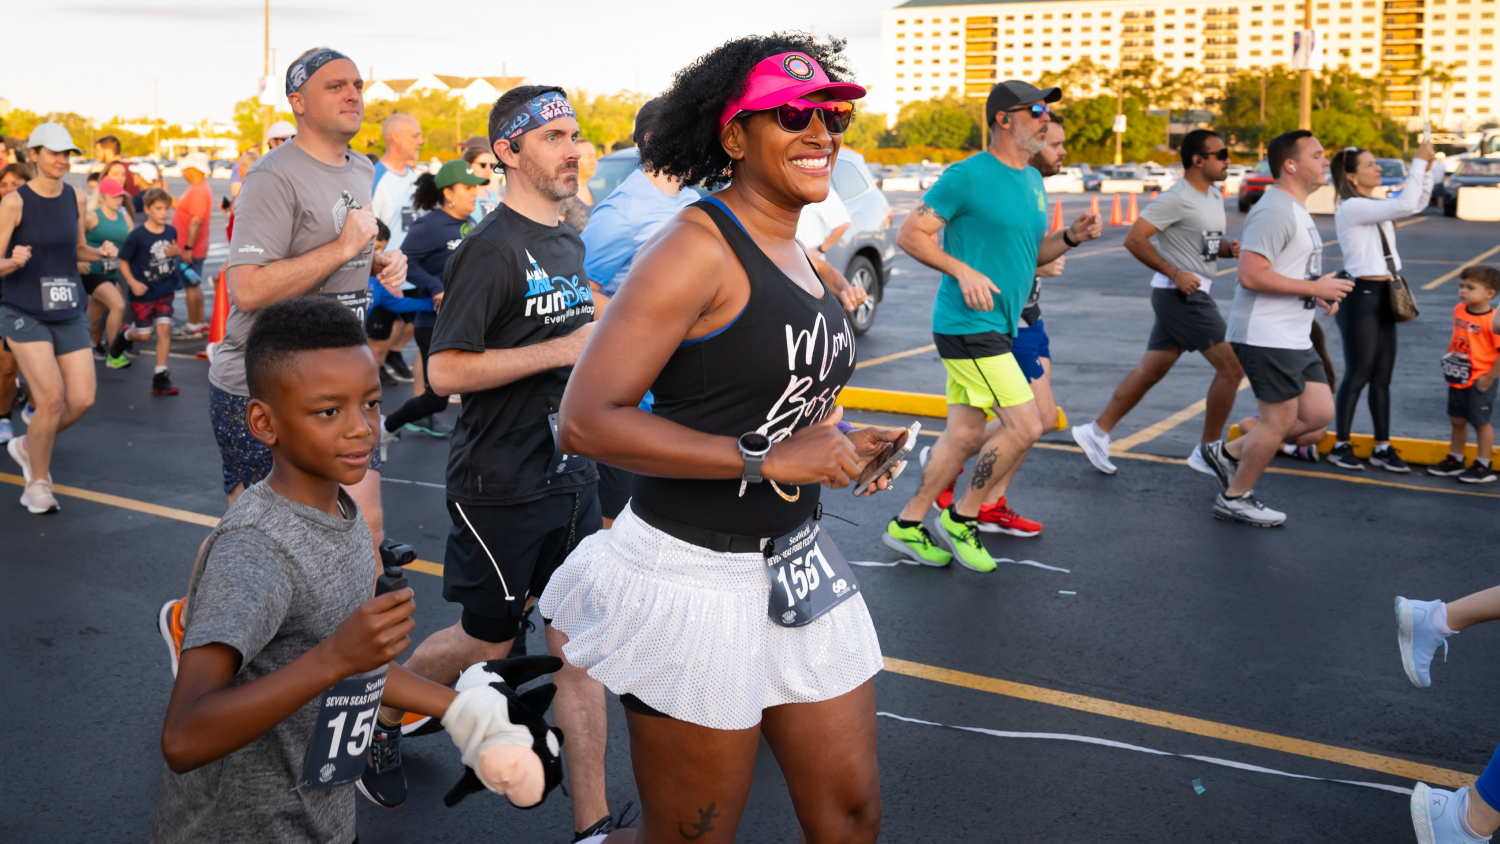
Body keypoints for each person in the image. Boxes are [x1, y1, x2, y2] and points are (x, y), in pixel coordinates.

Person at [540, 39, 912, 844]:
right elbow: (587, 419)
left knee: (851, 817)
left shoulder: (803, 249)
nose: (821, 132)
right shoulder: (693, 248)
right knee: (693, 835)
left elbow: (770, 397)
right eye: (792, 115)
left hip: (798, 562)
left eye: (832, 114)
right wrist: (768, 458)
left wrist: (840, 440)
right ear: (734, 137)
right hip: (691, 576)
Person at [151, 296, 559, 844]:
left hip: (326, 819)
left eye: (370, 402)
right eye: (328, 411)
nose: (361, 428)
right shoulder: (254, 549)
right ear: (263, 422)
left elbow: (349, 669)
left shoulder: (342, 514)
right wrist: (336, 656)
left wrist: (468, 714)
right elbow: (183, 738)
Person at [366, 84, 623, 834]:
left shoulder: (568, 240)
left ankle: (594, 824)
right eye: (554, 138)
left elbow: (584, 322)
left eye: (576, 135)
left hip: (570, 475)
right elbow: (445, 372)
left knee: (580, 652)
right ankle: (379, 711)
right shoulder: (489, 248)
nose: (574, 149)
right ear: (508, 152)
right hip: (500, 484)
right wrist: (565, 348)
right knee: (487, 638)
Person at [157, 49, 409, 687]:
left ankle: (358, 688)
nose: (353, 94)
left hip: (338, 387)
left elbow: (336, 256)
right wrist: (345, 247)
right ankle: (196, 628)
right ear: (298, 101)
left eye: (357, 84)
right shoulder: (274, 176)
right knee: (254, 531)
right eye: (335, 86)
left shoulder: (359, 166)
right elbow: (247, 288)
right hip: (263, 388)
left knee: (363, 524)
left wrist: (374, 262)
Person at [883, 79, 1100, 571]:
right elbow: (910, 234)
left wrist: (1070, 237)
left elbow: (1032, 256)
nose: (1046, 118)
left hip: (1000, 326)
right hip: (967, 323)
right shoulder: (967, 176)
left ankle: (907, 524)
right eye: (1038, 110)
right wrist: (961, 269)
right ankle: (963, 517)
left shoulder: (1032, 180)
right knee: (1027, 424)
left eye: (1048, 111)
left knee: (962, 436)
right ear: (1004, 119)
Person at [1195, 130, 1353, 527]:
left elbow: (1283, 273)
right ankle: (1236, 497)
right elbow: (1250, 275)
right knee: (1277, 421)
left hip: (1294, 334)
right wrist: (1314, 287)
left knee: (1318, 411)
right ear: (1291, 165)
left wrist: (1315, 294)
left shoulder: (1298, 209)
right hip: (1266, 334)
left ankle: (1228, 453)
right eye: (1317, 155)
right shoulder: (1275, 209)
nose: (1324, 161)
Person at [1072, 128, 1245, 476]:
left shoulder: (1211, 195)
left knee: (1151, 370)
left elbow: (1204, 243)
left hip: (1192, 291)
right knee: (1233, 367)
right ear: (1198, 160)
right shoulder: (1175, 197)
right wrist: (1175, 272)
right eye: (1221, 154)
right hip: (1181, 295)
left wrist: (1228, 249)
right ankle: (1207, 451)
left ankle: (1096, 431)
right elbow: (1135, 239)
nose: (1229, 160)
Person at [579, 98, 701, 527]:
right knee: (624, 523)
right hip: (639, 393)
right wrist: (648, 327)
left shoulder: (692, 198)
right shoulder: (622, 211)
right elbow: (579, 288)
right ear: (653, 141)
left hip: (686, 387)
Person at [0, 123, 113, 514]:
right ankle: (37, 483)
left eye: (68, 154)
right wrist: (10, 261)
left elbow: (78, 249)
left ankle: (28, 444)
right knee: (49, 399)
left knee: (81, 400)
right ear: (34, 155)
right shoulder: (14, 202)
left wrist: (102, 254)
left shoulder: (76, 197)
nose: (63, 160)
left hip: (67, 309)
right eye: (54, 153)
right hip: (23, 310)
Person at [1325, 141, 1436, 472]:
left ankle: (1382, 446)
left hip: (1384, 294)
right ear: (1352, 176)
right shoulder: (1352, 207)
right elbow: (1405, 205)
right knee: (1359, 373)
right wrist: (1417, 164)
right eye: (1370, 165)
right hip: (1361, 297)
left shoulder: (1373, 205)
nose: (1378, 169)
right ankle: (1341, 444)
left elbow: (1415, 203)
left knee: (1382, 377)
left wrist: (1426, 171)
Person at [378, 159, 488, 445]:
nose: (474, 193)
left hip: (466, 320)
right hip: (435, 324)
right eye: (467, 188)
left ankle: (478, 443)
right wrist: (435, 286)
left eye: (474, 188)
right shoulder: (428, 226)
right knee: (437, 398)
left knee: (477, 384)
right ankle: (385, 428)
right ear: (448, 193)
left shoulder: (470, 223)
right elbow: (405, 260)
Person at [1427, 265, 1500, 483]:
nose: (1463, 291)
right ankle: (1455, 459)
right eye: (1461, 286)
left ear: (1490, 294)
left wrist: (1489, 379)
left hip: (1480, 379)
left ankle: (1483, 464)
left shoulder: (1493, 321)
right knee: (1457, 420)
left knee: (1480, 421)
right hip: (1458, 376)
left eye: (1471, 287)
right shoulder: (1459, 309)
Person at [112, 188, 185, 395]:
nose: (163, 213)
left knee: (164, 330)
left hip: (165, 288)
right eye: (158, 208)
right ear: (147, 209)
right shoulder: (137, 236)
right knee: (144, 336)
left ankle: (160, 376)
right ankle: (126, 334)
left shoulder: (171, 231)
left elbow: (174, 251)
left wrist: (176, 253)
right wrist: (132, 283)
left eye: (166, 208)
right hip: (143, 292)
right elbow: (123, 261)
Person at [82, 176, 131, 364]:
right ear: (102, 197)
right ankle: (114, 354)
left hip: (112, 273)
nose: (118, 200)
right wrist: (77, 262)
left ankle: (79, 350)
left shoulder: (125, 218)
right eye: (114, 196)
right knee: (118, 305)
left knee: (92, 319)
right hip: (92, 272)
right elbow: (74, 240)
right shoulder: (92, 216)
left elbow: (131, 246)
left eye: (120, 196)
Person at [0, 162, 30, 443]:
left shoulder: (41, 216)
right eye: (4, 184)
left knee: (12, 366)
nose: (9, 189)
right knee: (6, 366)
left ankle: (10, 413)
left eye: (16, 183)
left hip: (28, 297)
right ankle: (4, 416)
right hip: (3, 295)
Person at [170, 151, 214, 336]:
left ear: (194, 169)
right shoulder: (199, 188)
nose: (183, 172)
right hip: (194, 248)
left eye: (185, 168)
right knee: (194, 285)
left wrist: (187, 248)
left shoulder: (197, 191)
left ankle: (193, 324)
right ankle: (200, 322)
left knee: (190, 287)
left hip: (190, 249)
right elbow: (184, 210)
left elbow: (196, 221)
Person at [372, 113, 424, 250]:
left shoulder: (414, 177)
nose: (421, 141)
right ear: (395, 137)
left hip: (413, 267)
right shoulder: (374, 178)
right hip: (387, 269)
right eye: (415, 136)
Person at [558, 138, 597, 230]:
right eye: (588, 157)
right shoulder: (564, 193)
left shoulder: (588, 189)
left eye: (595, 157)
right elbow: (553, 235)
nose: (594, 162)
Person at [93, 135, 139, 200]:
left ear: (108, 152)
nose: (96, 154)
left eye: (99, 151)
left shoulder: (108, 170)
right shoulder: (133, 167)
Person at [462, 145, 502, 221]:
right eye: (483, 165)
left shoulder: (496, 197)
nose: (488, 169)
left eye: (491, 165)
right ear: (468, 164)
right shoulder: (461, 195)